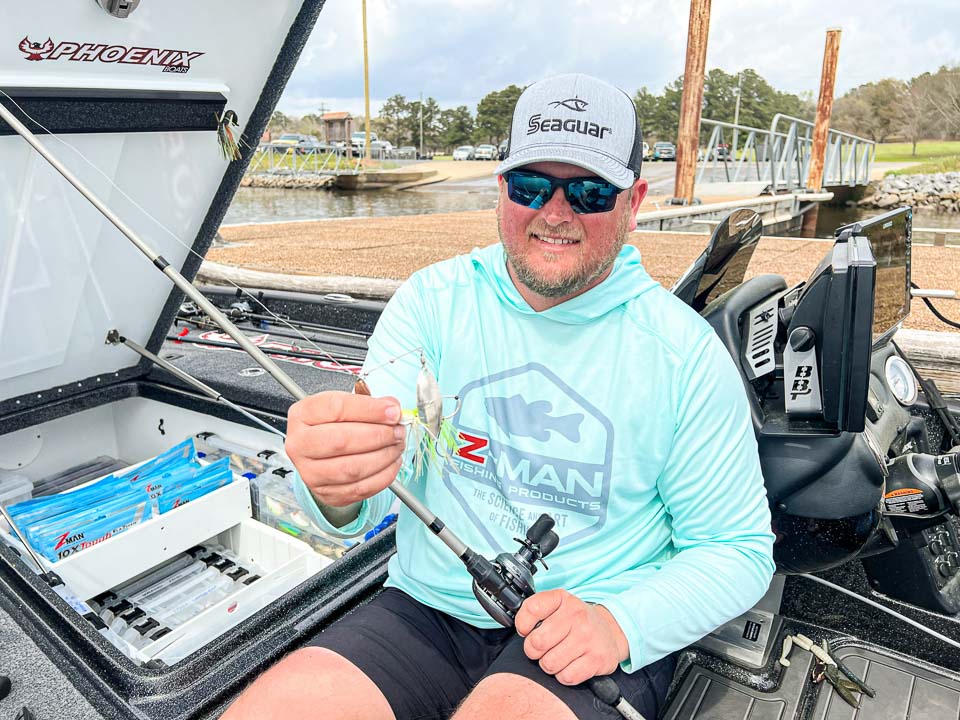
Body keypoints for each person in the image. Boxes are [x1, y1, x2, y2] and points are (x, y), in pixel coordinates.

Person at [224, 73, 775, 720]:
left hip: (593, 628)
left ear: (634, 203)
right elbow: (367, 491)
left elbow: (736, 549)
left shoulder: (684, 353)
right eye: (531, 186)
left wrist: (620, 625)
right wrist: (335, 484)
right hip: (428, 608)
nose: (556, 213)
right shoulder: (429, 304)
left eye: (591, 192)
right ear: (501, 188)